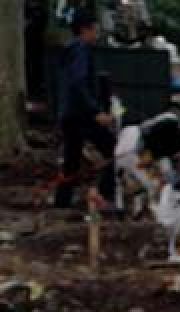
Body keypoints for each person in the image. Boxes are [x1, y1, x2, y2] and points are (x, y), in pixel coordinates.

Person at [54, 10, 116, 209]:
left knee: (71, 159)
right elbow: (79, 83)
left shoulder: (69, 50)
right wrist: (95, 111)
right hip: (82, 115)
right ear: (85, 30)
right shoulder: (81, 50)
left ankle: (62, 202)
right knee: (112, 148)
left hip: (69, 113)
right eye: (95, 30)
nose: (97, 35)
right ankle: (105, 195)